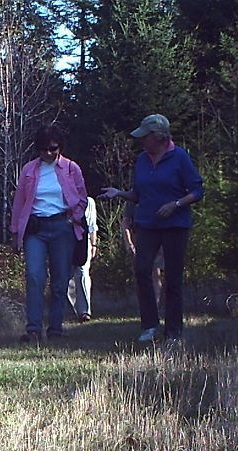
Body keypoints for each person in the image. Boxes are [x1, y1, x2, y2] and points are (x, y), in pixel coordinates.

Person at [99, 114, 203, 343]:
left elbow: (197, 191)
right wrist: (119, 193)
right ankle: (150, 325)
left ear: (159, 137)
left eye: (145, 137)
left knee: (173, 277)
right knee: (142, 269)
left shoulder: (180, 158)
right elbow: (138, 194)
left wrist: (175, 205)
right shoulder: (142, 160)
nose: (141, 141)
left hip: (175, 225)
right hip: (147, 224)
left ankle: (173, 331)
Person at [10, 124, 88, 342]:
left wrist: (74, 218)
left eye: (53, 148)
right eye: (44, 149)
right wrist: (16, 232)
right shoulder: (28, 170)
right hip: (35, 229)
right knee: (34, 276)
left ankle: (55, 328)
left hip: (63, 227)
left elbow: (82, 198)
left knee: (60, 280)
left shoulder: (72, 168)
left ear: (59, 147)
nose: (49, 153)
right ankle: (33, 329)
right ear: (38, 149)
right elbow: (19, 202)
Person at [122, 200, 164, 309]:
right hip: (139, 238)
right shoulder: (132, 199)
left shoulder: (158, 193)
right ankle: (145, 306)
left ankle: (155, 306)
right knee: (140, 274)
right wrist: (129, 243)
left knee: (155, 273)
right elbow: (126, 222)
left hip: (157, 236)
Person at [68, 196, 98, 322]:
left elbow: (92, 224)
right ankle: (72, 310)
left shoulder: (88, 202)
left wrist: (93, 244)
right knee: (66, 276)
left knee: (82, 273)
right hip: (65, 240)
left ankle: (85, 311)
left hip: (84, 240)